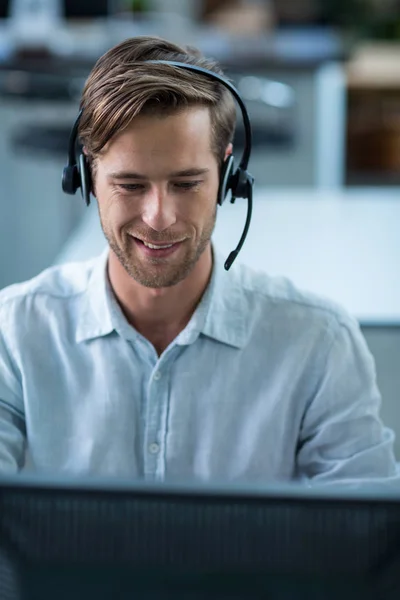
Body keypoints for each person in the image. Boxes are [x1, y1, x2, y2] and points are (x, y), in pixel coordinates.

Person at [0, 36, 397, 482]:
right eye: (129, 185)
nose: (158, 217)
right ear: (87, 176)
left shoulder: (319, 343)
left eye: (186, 183)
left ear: (229, 177)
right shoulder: (15, 334)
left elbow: (365, 537)